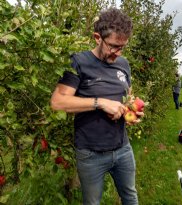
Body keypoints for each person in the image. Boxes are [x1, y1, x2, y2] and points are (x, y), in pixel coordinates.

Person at [50, 8, 142, 205]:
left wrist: (131, 111)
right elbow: (57, 102)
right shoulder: (79, 62)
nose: (118, 53)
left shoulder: (123, 64)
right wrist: (100, 103)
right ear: (97, 37)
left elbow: (128, 96)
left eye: (122, 47)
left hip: (122, 148)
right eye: (114, 46)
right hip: (90, 153)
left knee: (130, 197)